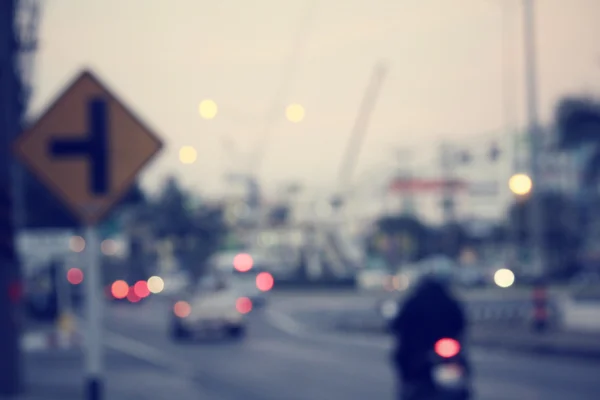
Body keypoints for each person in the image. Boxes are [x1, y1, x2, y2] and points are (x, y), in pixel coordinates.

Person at [389, 261, 467, 396]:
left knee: (405, 366)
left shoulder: (414, 300)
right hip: (438, 348)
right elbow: (461, 323)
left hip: (419, 352)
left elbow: (399, 323)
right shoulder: (449, 300)